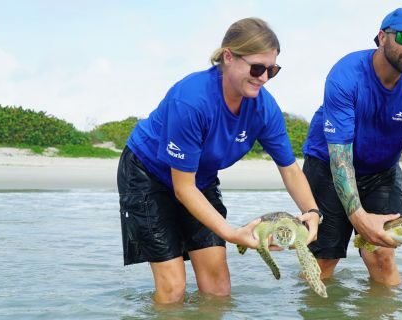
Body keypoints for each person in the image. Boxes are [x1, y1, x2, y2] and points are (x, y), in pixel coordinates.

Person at [117, 17, 321, 304]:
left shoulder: (264, 108)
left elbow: (289, 169)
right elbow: (182, 188)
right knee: (173, 288)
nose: (263, 78)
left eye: (271, 70)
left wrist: (312, 212)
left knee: (218, 289)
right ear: (228, 57)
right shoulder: (191, 101)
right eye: (257, 68)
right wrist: (232, 233)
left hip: (200, 177)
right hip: (147, 174)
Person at [302, 7, 402, 286]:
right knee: (325, 259)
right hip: (329, 165)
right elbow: (340, 156)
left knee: (381, 254)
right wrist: (359, 218)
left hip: (381, 172)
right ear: (381, 37)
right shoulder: (346, 75)